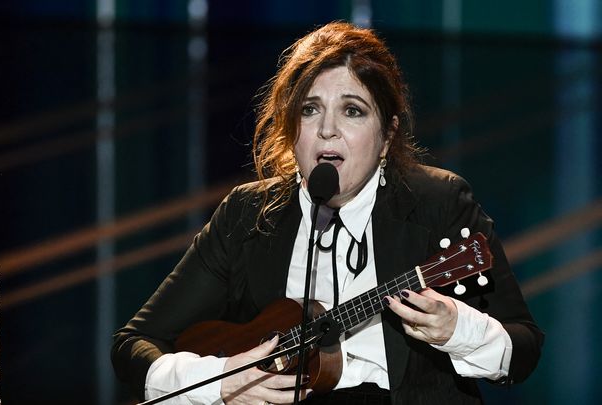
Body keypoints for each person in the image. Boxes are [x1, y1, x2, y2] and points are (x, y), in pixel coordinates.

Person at [111, 21, 543, 405]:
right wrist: (222, 381)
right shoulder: (248, 213)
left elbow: (523, 350)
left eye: (352, 111)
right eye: (309, 109)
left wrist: (457, 331)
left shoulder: (439, 202)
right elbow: (134, 345)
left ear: (388, 134)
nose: (327, 129)